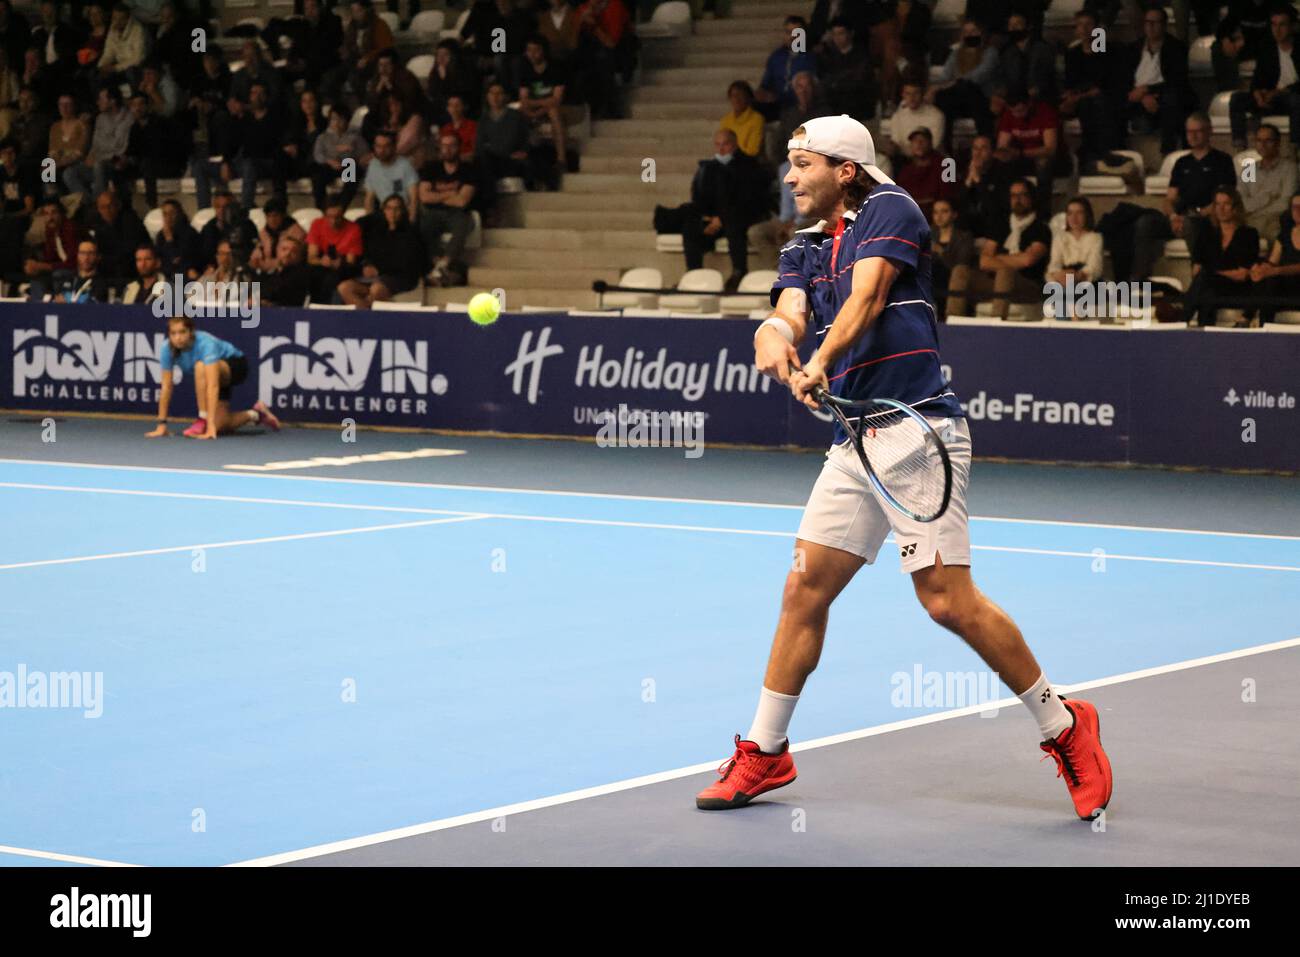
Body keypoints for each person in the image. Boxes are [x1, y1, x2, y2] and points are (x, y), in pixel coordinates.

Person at [699, 114, 1112, 820]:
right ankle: (766, 751)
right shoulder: (802, 244)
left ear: (846, 170)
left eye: (803, 164)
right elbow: (792, 309)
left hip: (916, 433)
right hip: (854, 440)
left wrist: (821, 362)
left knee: (947, 601)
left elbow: (868, 295)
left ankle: (1065, 724)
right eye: (789, 165)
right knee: (804, 591)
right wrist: (773, 334)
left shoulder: (893, 209)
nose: (791, 176)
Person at [146, 315, 281, 441]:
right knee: (220, 425)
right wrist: (161, 424)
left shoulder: (205, 343)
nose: (178, 338)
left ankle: (202, 418)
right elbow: (166, 386)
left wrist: (208, 424)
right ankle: (256, 414)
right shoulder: (167, 348)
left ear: (191, 332)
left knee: (200, 366)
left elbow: (212, 386)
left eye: (182, 332)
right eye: (173, 333)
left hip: (235, 366)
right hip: (212, 376)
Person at [681, 128, 772, 293]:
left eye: (725, 144)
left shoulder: (749, 165)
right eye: (718, 145)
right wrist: (708, 217)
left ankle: (739, 271)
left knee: (734, 226)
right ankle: (693, 273)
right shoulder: (709, 168)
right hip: (715, 219)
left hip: (741, 217)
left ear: (735, 144)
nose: (721, 149)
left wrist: (721, 218)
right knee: (691, 227)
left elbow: (748, 200)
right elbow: (699, 196)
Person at [947, 177, 1052, 318]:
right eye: (1014, 195)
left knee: (1005, 272)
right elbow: (984, 261)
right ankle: (953, 321)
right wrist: (1013, 260)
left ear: (1031, 197)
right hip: (993, 282)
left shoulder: (1041, 229)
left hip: (1027, 284)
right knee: (960, 271)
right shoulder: (1001, 225)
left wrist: (997, 259)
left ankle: (996, 323)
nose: (1017, 199)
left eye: (1022, 195)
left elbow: (1028, 260)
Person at [1183, 186, 1260, 325]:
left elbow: (1242, 275)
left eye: (1226, 204)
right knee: (1207, 291)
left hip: (1236, 289)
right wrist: (1216, 274)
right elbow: (1195, 271)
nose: (1221, 209)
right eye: (1217, 204)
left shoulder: (1248, 234)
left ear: (1235, 207)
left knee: (1206, 280)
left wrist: (1213, 274)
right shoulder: (1206, 234)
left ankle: (1182, 320)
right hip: (1211, 288)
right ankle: (1203, 332)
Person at [1229, 5, 1300, 150]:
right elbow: (1257, 79)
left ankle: (1295, 148)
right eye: (1274, 24)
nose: (1277, 30)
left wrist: (1280, 92)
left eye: (1282, 25)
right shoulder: (1267, 47)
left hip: (1292, 98)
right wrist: (1257, 94)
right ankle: (1240, 147)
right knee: (1237, 99)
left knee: (1295, 100)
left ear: (1292, 26)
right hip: (1271, 99)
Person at [337, 194, 426, 308]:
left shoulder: (411, 233)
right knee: (344, 287)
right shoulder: (376, 231)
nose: (392, 212)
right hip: (374, 277)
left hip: (399, 277)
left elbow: (405, 262)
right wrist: (367, 266)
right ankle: (366, 318)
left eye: (397, 209)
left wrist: (379, 269)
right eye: (389, 208)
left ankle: (369, 320)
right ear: (384, 210)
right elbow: (369, 254)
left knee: (376, 289)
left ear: (402, 211)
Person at [417, 131, 479, 287]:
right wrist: (450, 193)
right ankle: (439, 267)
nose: (448, 149)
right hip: (433, 213)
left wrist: (437, 194)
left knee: (462, 225)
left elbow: (462, 201)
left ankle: (442, 265)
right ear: (440, 148)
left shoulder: (469, 169)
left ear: (458, 147)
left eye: (452, 145)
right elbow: (424, 197)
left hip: (458, 214)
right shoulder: (431, 168)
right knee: (423, 226)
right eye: (444, 146)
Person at [1046, 197, 1105, 318]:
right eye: (1070, 213)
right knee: (1061, 288)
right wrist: (1060, 275)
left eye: (1079, 213)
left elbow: (1094, 267)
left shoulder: (1096, 238)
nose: (1074, 217)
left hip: (1086, 281)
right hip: (1063, 278)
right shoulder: (1060, 238)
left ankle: (1074, 320)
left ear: (1087, 215)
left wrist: (1076, 276)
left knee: (1072, 287)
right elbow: (1054, 264)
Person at [1240, 122, 1297, 241]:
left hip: (1275, 220)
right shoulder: (1249, 168)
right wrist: (1266, 198)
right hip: (1249, 218)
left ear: (1277, 143)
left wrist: (1258, 211)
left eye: (1268, 140)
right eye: (1259, 140)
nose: (1263, 145)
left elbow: (1286, 202)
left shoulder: (1289, 168)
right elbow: (1241, 198)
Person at [1250, 191, 1300, 322]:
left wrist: (1276, 271)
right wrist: (1261, 269)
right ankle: (1261, 327)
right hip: (1286, 286)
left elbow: (1277, 269)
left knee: (1273, 277)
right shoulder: (1285, 235)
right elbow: (1272, 262)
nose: (1298, 211)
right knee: (1266, 280)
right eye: (1295, 207)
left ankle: (1247, 316)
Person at [307, 193, 363, 301]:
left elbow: (350, 261)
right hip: (322, 265)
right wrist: (322, 261)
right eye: (329, 217)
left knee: (332, 277)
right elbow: (311, 257)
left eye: (337, 217)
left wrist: (338, 263)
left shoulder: (353, 229)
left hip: (343, 268)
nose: (333, 221)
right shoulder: (317, 224)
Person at [312, 105, 369, 210]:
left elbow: (364, 155)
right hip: (329, 166)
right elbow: (318, 155)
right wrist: (330, 161)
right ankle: (321, 208)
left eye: (341, 119)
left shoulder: (355, 137)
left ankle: (342, 207)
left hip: (347, 165)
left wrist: (352, 150)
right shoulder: (323, 137)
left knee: (352, 171)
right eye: (334, 119)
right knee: (317, 175)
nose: (337, 122)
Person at [718, 81, 764, 159]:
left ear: (748, 98)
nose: (737, 99)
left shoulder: (756, 119)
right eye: (733, 96)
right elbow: (721, 146)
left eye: (741, 95)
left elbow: (752, 151)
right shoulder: (725, 120)